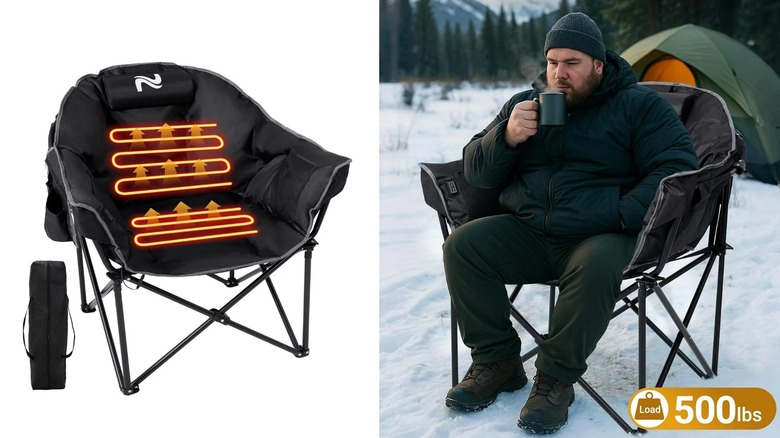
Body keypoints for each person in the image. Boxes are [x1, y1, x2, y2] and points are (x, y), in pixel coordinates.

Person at [442, 12, 699, 434]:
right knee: (464, 247)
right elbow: (476, 172)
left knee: (598, 261)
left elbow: (676, 169)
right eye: (552, 62)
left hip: (602, 235)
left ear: (599, 65)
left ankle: (556, 379)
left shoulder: (638, 107)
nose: (559, 74)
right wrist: (505, 137)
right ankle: (497, 361)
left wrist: (619, 213)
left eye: (572, 63)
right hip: (530, 233)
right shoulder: (525, 104)